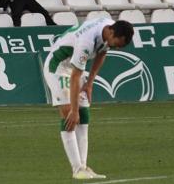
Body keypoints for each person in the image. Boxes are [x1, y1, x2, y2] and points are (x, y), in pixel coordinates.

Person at [42, 18, 134, 179]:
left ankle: (83, 166)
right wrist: (74, 109)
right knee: (69, 114)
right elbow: (75, 77)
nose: (116, 47)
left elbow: (103, 52)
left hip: (75, 67)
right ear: (111, 32)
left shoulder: (109, 29)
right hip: (58, 67)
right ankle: (77, 170)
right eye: (117, 43)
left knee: (84, 115)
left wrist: (90, 82)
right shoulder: (87, 41)